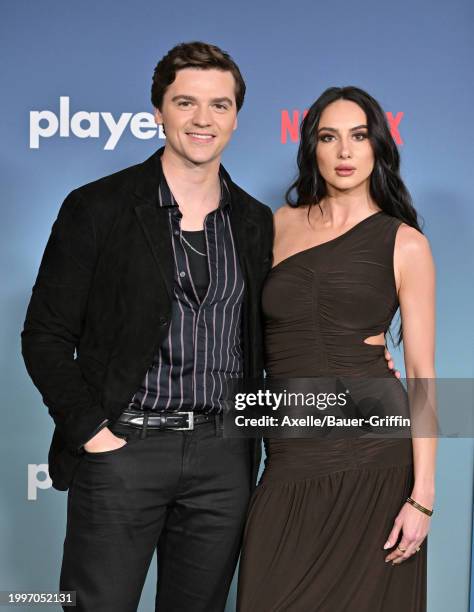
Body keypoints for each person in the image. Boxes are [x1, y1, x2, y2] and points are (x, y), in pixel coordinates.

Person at [21, 41, 274, 612]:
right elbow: (44, 335)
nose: (203, 119)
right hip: (123, 448)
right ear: (158, 111)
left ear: (236, 116)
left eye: (220, 105)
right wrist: (92, 432)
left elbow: (269, 340)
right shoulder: (98, 207)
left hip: (222, 458)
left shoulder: (256, 223)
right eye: (186, 103)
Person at [237, 86, 436, 611]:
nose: (345, 152)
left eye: (359, 136)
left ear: (378, 147)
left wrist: (423, 498)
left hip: (376, 452)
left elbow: (421, 372)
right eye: (330, 137)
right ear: (312, 148)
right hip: (290, 452)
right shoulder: (276, 226)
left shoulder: (405, 243)